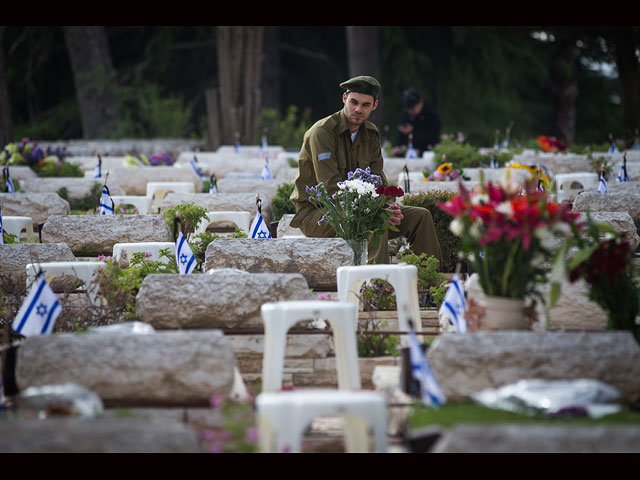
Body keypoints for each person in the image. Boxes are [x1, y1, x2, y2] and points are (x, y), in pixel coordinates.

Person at [289, 75, 442, 265]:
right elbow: (329, 187)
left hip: (359, 209)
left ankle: (429, 278)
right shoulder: (322, 132)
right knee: (371, 219)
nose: (358, 109)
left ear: (374, 105)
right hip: (318, 215)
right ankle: (378, 285)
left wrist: (390, 206)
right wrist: (376, 209)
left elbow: (379, 182)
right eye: (354, 102)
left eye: (365, 105)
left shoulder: (371, 134)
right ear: (344, 99)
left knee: (420, 216)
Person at [391, 88, 441, 157]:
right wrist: (397, 146)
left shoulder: (431, 114)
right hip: (408, 153)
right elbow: (401, 135)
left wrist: (413, 131)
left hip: (427, 153)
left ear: (420, 102)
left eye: (412, 108)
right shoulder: (407, 114)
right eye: (408, 109)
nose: (410, 111)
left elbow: (433, 137)